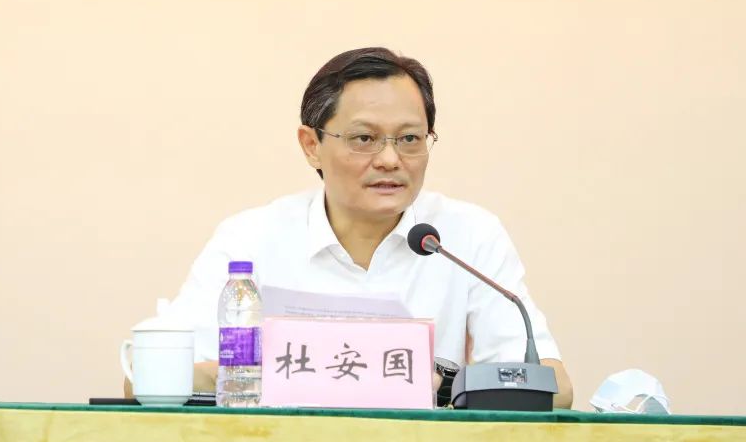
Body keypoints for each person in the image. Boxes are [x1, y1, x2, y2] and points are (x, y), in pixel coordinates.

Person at [140, 46, 573, 408]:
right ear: (311, 145)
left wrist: (449, 386)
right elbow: (150, 380)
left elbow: (555, 389)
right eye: (364, 138)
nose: (390, 159)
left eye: (410, 139)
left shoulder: (467, 236)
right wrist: (276, 374)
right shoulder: (250, 239)